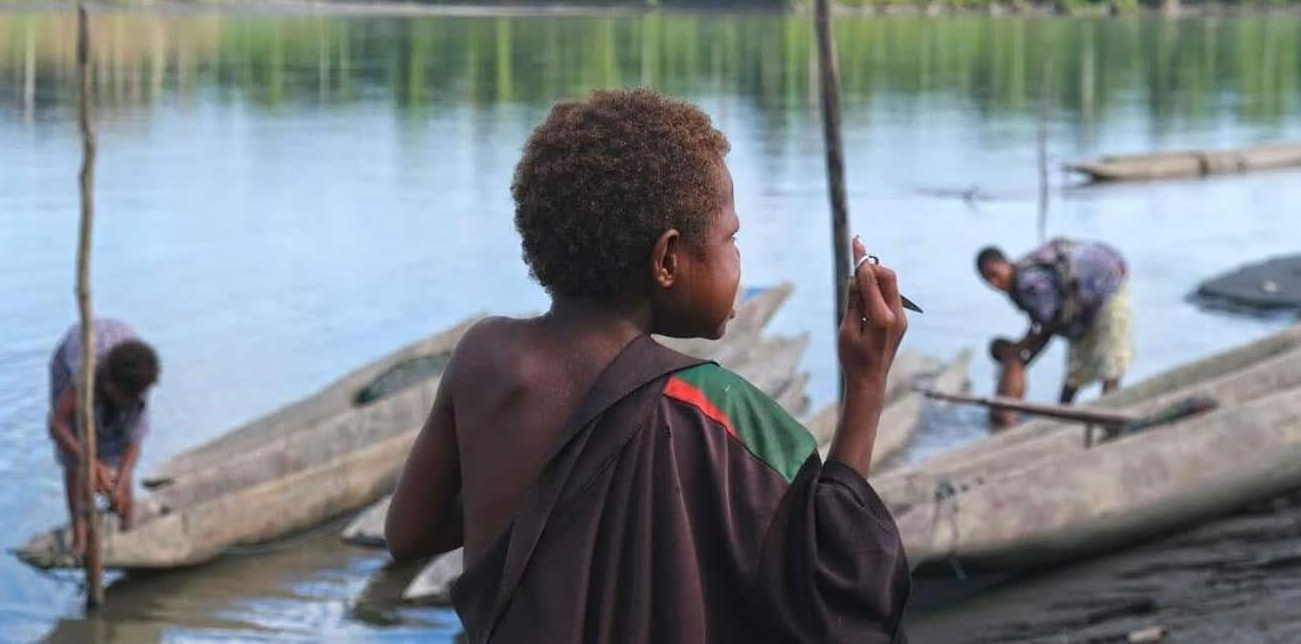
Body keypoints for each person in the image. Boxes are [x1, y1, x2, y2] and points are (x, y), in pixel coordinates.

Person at [387, 88, 911, 643]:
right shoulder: (712, 412)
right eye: (732, 237)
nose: (739, 257)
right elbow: (845, 581)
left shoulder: (483, 357)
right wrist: (868, 383)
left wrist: (539, 500)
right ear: (667, 259)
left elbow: (408, 533)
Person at [975, 238, 1134, 428]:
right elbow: (1042, 324)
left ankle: (1109, 418)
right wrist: (1022, 356)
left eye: (995, 274)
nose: (994, 282)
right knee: (1077, 367)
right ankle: (1062, 417)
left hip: (1107, 284)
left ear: (1007, 263)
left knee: (1110, 362)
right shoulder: (1016, 288)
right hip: (1082, 305)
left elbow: (1047, 326)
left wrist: (1021, 353)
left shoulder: (1029, 282)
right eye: (987, 279)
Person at [46, 318, 160, 560]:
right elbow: (57, 425)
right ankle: (80, 535)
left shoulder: (138, 385)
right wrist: (90, 463)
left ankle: (128, 524)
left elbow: (134, 438)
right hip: (71, 364)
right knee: (76, 457)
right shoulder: (85, 375)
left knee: (118, 452)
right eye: (117, 394)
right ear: (108, 385)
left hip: (121, 362)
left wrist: (120, 481)